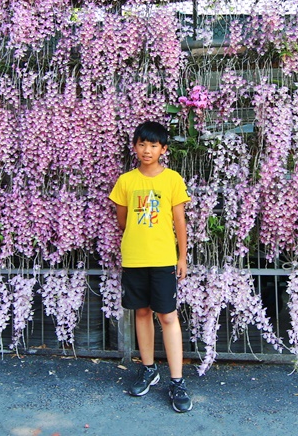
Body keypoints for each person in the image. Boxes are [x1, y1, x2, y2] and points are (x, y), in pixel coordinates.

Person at [109, 120, 193, 413]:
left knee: (167, 316)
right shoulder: (126, 181)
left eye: (153, 145)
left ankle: (177, 380)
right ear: (135, 147)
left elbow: (179, 220)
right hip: (134, 258)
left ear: (163, 149)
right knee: (141, 312)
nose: (147, 150)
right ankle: (148, 369)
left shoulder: (172, 180)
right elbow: (123, 220)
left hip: (162, 260)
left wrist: (181, 257)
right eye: (142, 144)